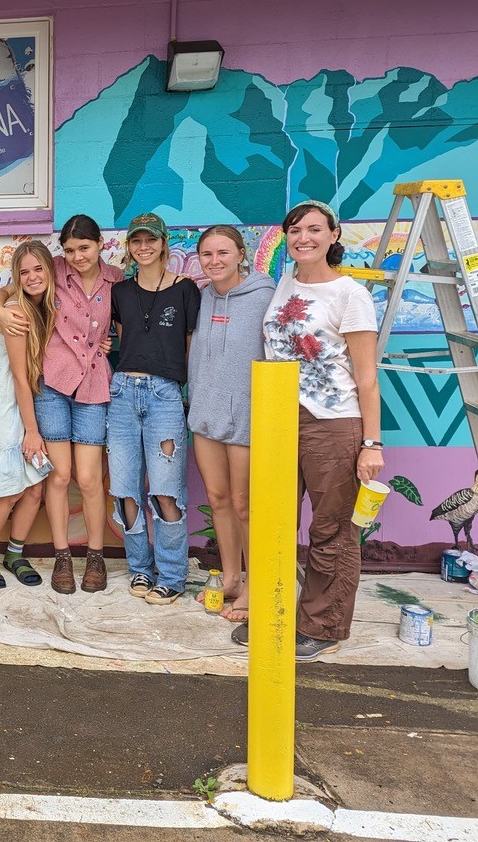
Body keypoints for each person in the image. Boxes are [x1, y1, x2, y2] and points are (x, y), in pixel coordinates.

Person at [233, 201, 382, 660]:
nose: (304, 238)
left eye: (315, 230)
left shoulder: (350, 295)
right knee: (274, 522)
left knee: (331, 529)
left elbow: (367, 377)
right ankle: (275, 613)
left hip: (332, 424)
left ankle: (322, 625)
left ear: (333, 236)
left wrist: (371, 444)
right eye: (295, 230)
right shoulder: (285, 283)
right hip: (279, 418)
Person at [0, 217, 122, 593]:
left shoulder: (115, 279)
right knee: (60, 475)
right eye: (70, 249)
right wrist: (0, 307)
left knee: (89, 478)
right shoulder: (55, 269)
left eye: (85, 247)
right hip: (52, 385)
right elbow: (13, 286)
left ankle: (95, 557)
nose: (77, 256)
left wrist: (110, 341)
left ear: (100, 244)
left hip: (94, 385)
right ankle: (62, 555)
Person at [108, 213, 201, 605]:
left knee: (165, 491)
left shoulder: (186, 290)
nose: (143, 247)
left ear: (163, 244)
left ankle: (173, 575)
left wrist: (189, 395)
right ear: (129, 247)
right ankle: (140, 570)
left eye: (150, 241)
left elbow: (190, 345)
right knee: (126, 491)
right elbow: (122, 341)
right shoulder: (121, 292)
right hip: (123, 393)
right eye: (136, 242)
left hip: (164, 396)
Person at [187, 226, 275, 622]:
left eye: (223, 252)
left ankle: (256, 585)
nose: (215, 261)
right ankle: (232, 578)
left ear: (241, 254)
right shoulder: (202, 298)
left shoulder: (265, 298)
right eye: (207, 254)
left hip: (245, 417)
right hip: (205, 413)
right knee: (218, 499)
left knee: (244, 504)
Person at [0, 240, 56, 590]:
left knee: (34, 486)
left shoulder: (32, 304)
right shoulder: (16, 312)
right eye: (24, 272)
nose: (32, 277)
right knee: (8, 490)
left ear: (49, 270)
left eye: (38, 269)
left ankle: (15, 553)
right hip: (4, 406)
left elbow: (1, 292)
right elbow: (19, 376)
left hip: (26, 402)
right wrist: (32, 432)